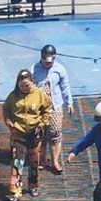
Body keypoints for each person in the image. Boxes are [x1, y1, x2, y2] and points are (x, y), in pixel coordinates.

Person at [1, 71, 56, 199]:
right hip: (18, 133)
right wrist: (9, 122)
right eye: (21, 86)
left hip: (34, 133)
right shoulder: (13, 96)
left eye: (27, 85)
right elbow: (6, 109)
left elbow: (47, 110)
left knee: (33, 162)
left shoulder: (39, 94)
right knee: (18, 161)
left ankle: (33, 186)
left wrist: (42, 123)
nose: (24, 88)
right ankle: (15, 188)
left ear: (32, 82)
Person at [32, 44, 74, 173]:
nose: (47, 64)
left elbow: (65, 86)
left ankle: (55, 160)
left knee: (55, 133)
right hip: (39, 107)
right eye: (45, 61)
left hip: (55, 105)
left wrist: (69, 102)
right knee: (40, 134)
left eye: (50, 62)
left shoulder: (59, 69)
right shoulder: (33, 69)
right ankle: (42, 160)